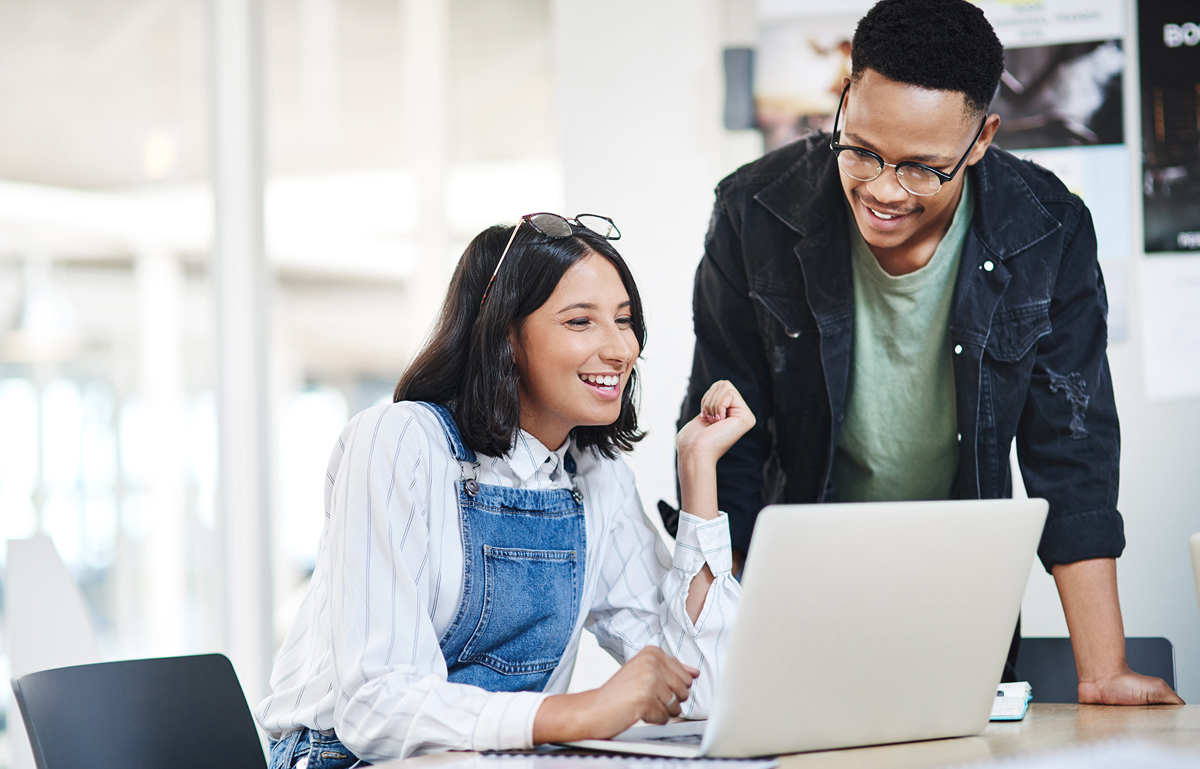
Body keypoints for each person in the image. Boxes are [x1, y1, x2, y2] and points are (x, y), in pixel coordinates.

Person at [679, 0, 1183, 706]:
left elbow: (1073, 455)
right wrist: (712, 663)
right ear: (846, 97)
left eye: (923, 169)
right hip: (789, 605)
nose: (883, 190)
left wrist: (1101, 670)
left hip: (960, 612)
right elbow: (727, 452)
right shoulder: (753, 213)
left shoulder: (1047, 230)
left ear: (981, 140)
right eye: (861, 150)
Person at [257, 213, 755, 768]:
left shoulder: (596, 477)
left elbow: (701, 692)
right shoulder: (399, 441)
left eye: (624, 320)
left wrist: (699, 474)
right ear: (506, 336)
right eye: (580, 322)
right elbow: (377, 705)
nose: (620, 349)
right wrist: (576, 714)